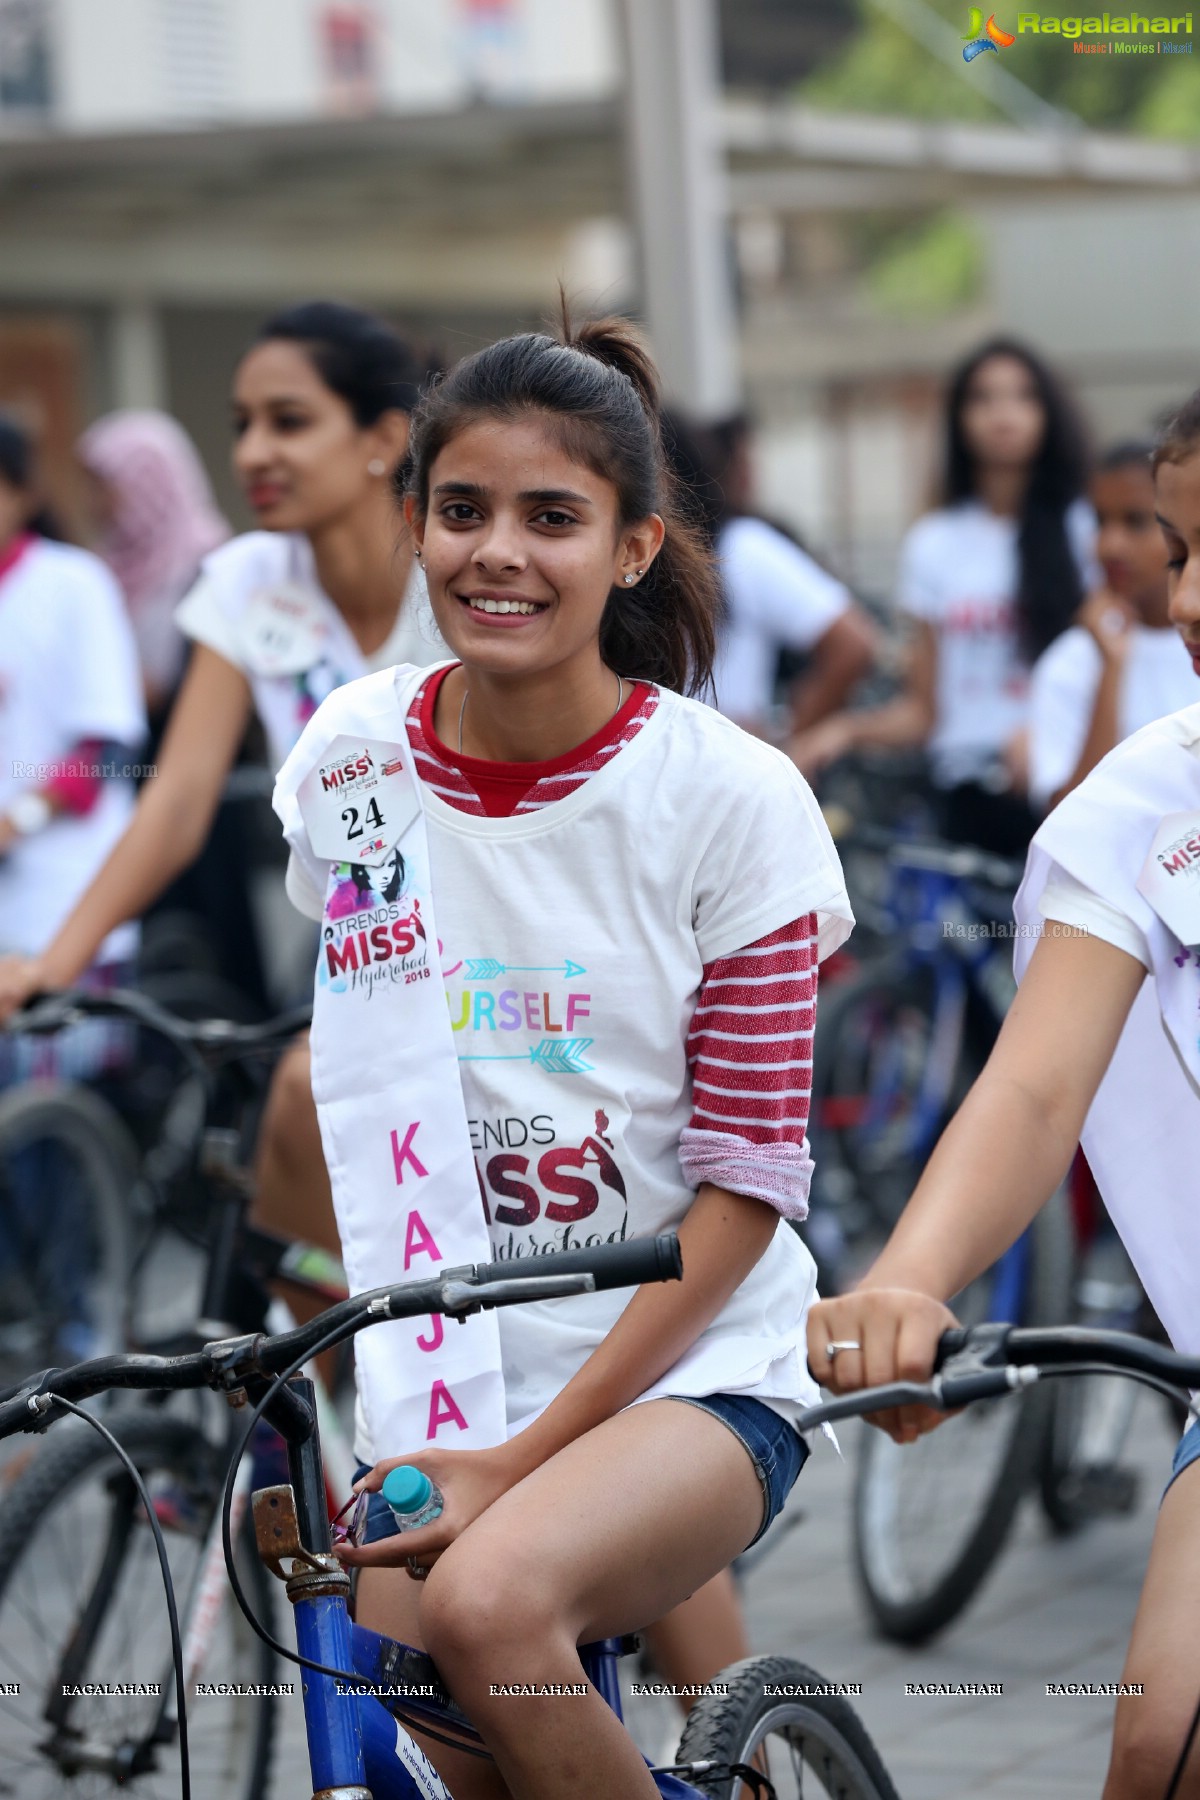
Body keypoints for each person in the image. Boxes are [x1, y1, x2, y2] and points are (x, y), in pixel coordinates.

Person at [273, 312, 854, 1799]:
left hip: (693, 1377)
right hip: (442, 1375)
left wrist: (528, 1459)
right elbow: (354, 1074)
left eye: (553, 517)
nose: (497, 554)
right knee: (418, 1736)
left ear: (637, 544)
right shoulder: (349, 756)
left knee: (490, 1607)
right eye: (461, 511)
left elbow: (742, 1195)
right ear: (412, 524)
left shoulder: (735, 802)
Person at [807, 390, 1200, 1800]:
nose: (1190, 594)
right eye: (1178, 544)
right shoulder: (1147, 804)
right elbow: (1034, 1083)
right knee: (1160, 1750)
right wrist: (907, 1279)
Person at [0, 300, 443, 1266]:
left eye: (288, 421)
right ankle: (335, 1398)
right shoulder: (247, 581)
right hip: (357, 952)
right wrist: (53, 962)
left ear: (383, 438)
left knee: (299, 1110)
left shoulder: (455, 572)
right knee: (276, 1208)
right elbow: (177, 796)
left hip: (495, 952)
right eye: (241, 424)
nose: (251, 451)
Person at [792, 339, 1097, 856]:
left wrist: (1046, 730)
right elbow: (923, 711)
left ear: (1049, 412)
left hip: (1068, 788)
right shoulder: (933, 543)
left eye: (1023, 396)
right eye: (984, 398)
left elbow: (1114, 665)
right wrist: (841, 731)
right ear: (959, 417)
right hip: (966, 799)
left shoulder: (1086, 530)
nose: (1003, 414)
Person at [0, 413, 145, 1085]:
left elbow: (107, 751)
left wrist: (19, 818)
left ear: (23, 491)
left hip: (60, 892)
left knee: (49, 1127)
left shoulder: (72, 585)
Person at [666, 409, 876, 738]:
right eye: (743, 464)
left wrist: (788, 746)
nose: (752, 476)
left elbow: (853, 643)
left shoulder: (739, 547)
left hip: (729, 763)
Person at [1029, 440, 1195, 811]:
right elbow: (1066, 820)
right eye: (1100, 522)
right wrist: (1112, 666)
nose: (1110, 546)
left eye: (1136, 522)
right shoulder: (1072, 662)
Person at [78, 409, 229, 720]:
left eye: (103, 486)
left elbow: (164, 689)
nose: (91, 503)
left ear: (145, 481)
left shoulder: (214, 572)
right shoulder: (99, 571)